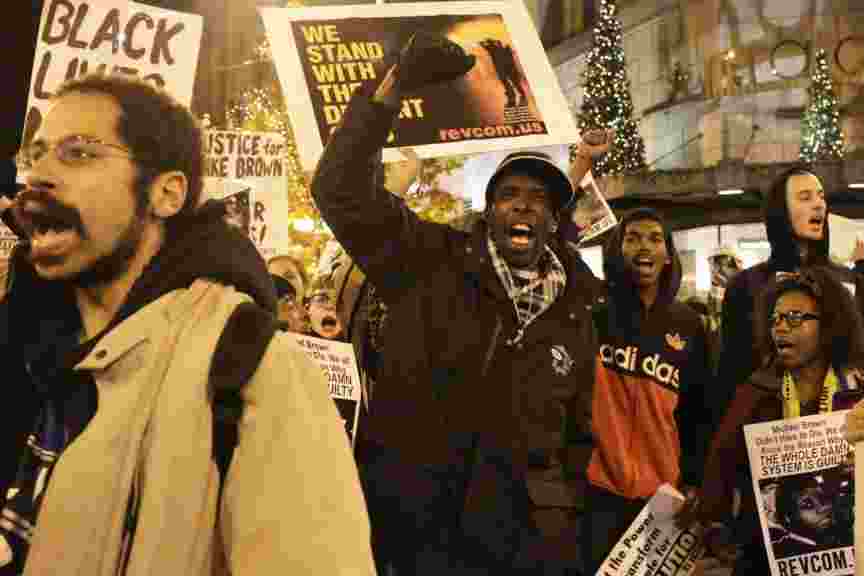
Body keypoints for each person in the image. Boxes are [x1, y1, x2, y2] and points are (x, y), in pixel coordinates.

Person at [0, 74, 375, 575]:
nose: (38, 174)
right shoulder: (27, 350)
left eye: (79, 152)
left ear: (167, 194)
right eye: (37, 154)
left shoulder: (253, 371)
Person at [309, 38, 605, 574]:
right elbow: (340, 190)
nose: (523, 204)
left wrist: (560, 523)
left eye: (538, 198)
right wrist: (390, 92)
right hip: (423, 533)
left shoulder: (575, 309)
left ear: (552, 220)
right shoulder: (428, 260)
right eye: (509, 193)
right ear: (488, 211)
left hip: (524, 545)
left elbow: (576, 435)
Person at [698, 266, 864, 575]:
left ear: (830, 325)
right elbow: (720, 470)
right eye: (775, 319)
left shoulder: (863, 395)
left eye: (795, 318)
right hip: (765, 558)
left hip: (852, 557)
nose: (780, 328)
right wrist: (716, 528)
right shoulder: (754, 393)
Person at [582, 208, 711, 573]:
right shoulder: (596, 316)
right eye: (633, 237)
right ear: (617, 249)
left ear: (668, 254)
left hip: (663, 497)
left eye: (655, 238)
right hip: (598, 491)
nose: (644, 246)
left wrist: (694, 480)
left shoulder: (689, 325)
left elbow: (699, 411)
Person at [714, 166, 864, 434]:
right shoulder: (746, 285)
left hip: (844, 431)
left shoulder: (850, 282)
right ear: (780, 211)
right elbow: (731, 372)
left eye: (820, 196)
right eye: (805, 198)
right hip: (768, 434)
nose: (818, 204)